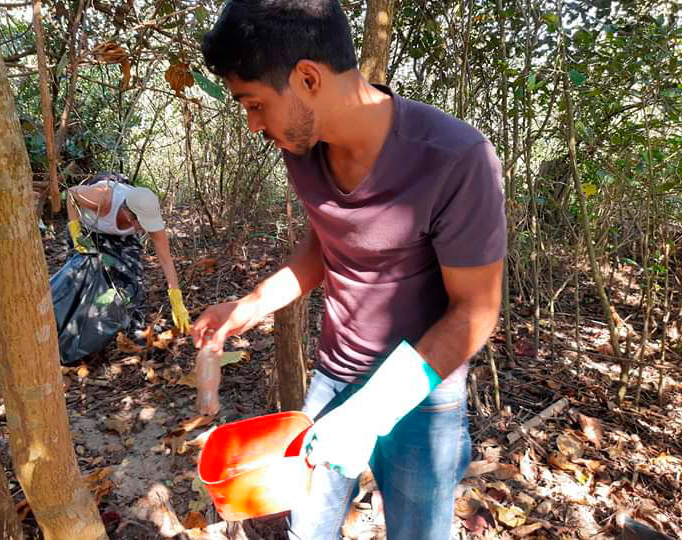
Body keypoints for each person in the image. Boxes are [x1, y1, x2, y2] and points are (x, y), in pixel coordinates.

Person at [194, 1, 506, 538]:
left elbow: (477, 310)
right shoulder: (303, 147)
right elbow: (324, 247)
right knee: (308, 529)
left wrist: (372, 411)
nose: (253, 125)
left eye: (255, 104)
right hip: (334, 376)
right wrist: (249, 307)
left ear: (308, 77)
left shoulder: (455, 158)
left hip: (425, 396)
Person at [66, 172, 191, 334]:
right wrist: (76, 233)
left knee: (131, 280)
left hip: (122, 235)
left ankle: (130, 327)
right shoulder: (102, 199)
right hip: (87, 228)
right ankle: (76, 328)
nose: (146, 228)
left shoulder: (148, 213)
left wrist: (176, 300)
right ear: (128, 213)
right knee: (82, 277)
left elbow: (166, 259)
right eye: (142, 223)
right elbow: (71, 194)